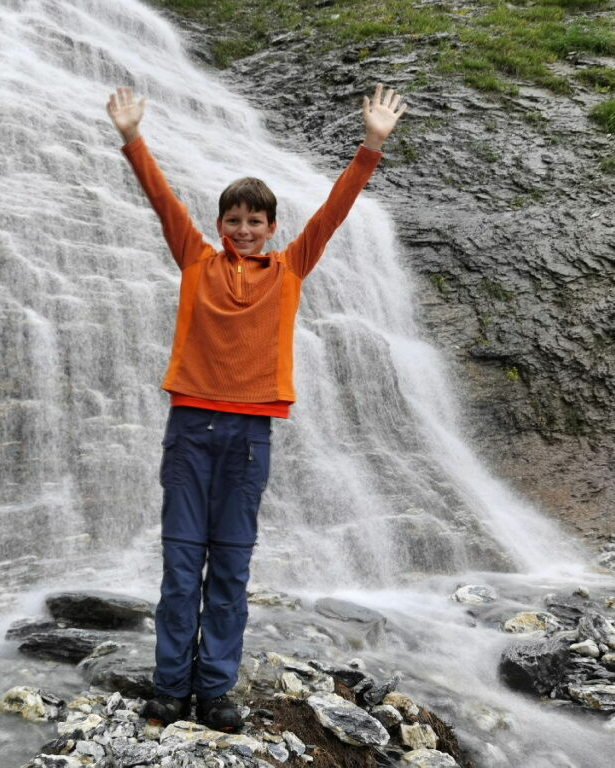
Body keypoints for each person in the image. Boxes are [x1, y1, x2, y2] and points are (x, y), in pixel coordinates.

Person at [105, 83, 407, 732]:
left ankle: (214, 690)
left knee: (232, 569)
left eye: (255, 222)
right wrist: (133, 138)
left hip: (248, 436)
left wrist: (372, 145)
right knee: (182, 567)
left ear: (272, 229)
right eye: (233, 221)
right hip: (189, 430)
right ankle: (168, 687)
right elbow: (160, 199)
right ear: (219, 227)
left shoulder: (291, 268)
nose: (243, 230)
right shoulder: (195, 258)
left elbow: (334, 210)